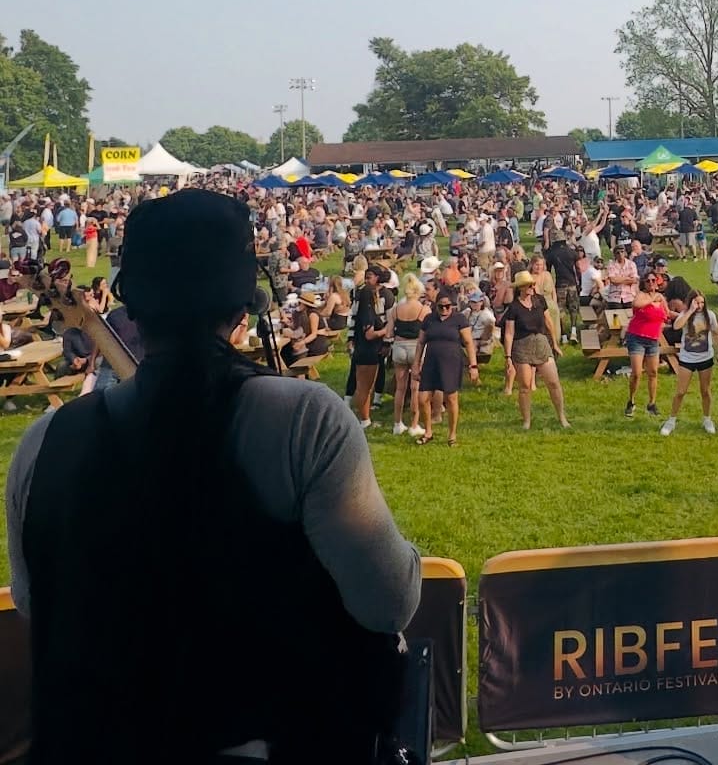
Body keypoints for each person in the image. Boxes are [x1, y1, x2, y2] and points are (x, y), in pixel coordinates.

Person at [4, 189, 420, 763]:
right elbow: (388, 603)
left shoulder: (42, 442)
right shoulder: (305, 420)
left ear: (132, 299)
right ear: (241, 301)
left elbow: (33, 602)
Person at [503, 270, 569, 430]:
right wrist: (508, 357)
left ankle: (562, 417)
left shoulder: (539, 300)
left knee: (553, 382)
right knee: (525, 387)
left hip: (541, 342)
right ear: (521, 287)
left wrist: (555, 344)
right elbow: (509, 333)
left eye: (533, 284)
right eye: (530, 285)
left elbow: (548, 322)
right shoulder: (514, 307)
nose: (533, 286)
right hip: (522, 345)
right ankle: (526, 421)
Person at [414, 294, 478, 446]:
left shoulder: (459, 319)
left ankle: (452, 435)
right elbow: (420, 342)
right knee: (422, 398)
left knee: (451, 398)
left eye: (447, 306)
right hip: (431, 362)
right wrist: (416, 364)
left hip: (451, 362)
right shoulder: (429, 319)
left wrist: (473, 365)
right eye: (441, 306)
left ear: (453, 306)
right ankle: (428, 432)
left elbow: (468, 342)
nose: (444, 309)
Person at [659, 288, 718, 436]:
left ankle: (707, 419)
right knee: (680, 392)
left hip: (705, 357)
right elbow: (676, 326)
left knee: (705, 391)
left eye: (701, 303)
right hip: (687, 358)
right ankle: (671, 420)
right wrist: (690, 311)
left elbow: (715, 332)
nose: (699, 305)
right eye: (696, 302)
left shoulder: (709, 315)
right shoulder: (685, 315)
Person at [623, 272, 669, 419]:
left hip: (653, 339)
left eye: (653, 280)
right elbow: (636, 305)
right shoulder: (641, 295)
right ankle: (631, 401)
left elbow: (667, 314)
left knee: (653, 372)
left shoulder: (661, 299)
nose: (651, 283)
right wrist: (652, 299)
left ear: (657, 282)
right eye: (648, 280)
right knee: (637, 373)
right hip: (637, 338)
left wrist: (688, 313)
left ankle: (652, 403)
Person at [350, 265, 390, 428]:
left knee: (362, 387)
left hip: (361, 350)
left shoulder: (361, 310)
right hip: (368, 351)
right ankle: (365, 419)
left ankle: (365, 418)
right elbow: (369, 333)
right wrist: (385, 331)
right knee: (365, 388)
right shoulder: (368, 312)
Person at [388, 275, 427, 437]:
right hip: (416, 347)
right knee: (415, 388)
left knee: (400, 388)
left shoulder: (395, 309)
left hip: (398, 347)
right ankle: (414, 424)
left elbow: (389, 332)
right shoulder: (424, 310)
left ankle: (397, 424)